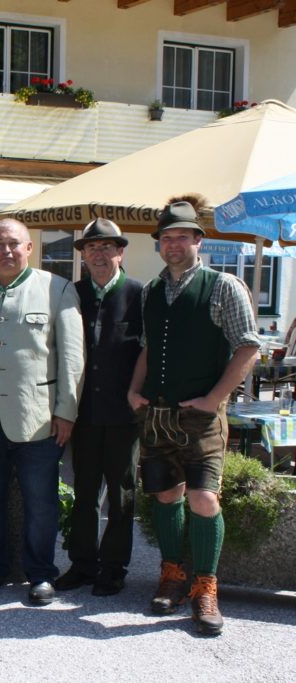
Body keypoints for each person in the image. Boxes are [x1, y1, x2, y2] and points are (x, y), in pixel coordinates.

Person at [127, 197, 259, 636]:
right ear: (160, 244)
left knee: (203, 498)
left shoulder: (224, 286)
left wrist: (214, 398)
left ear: (198, 240)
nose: (174, 244)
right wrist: (134, 389)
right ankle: (173, 575)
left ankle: (205, 585)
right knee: (165, 495)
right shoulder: (150, 290)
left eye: (182, 236)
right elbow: (147, 345)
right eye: (167, 237)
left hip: (201, 416)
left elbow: (248, 346)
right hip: (157, 413)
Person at [0, 218, 84, 606]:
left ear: (29, 248)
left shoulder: (57, 289)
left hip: (39, 418)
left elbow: (72, 357)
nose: (6, 250)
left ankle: (41, 574)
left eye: (14, 244)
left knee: (41, 501)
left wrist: (67, 412)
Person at [54, 219, 143, 596]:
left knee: (121, 495)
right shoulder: (73, 294)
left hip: (124, 415)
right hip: (84, 412)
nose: (99, 255)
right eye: (92, 249)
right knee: (84, 491)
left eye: (107, 247)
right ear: (83, 257)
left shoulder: (140, 293)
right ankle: (82, 563)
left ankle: (114, 567)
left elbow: (148, 352)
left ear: (120, 252)